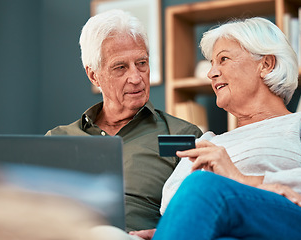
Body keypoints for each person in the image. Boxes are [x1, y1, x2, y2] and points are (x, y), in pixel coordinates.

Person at [140, 17, 301, 240]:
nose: (211, 73)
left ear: (266, 64)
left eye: (223, 59)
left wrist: (244, 181)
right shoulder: (211, 142)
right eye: (211, 63)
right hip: (240, 229)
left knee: (203, 184)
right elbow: (172, 201)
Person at [45, 9, 203, 233]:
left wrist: (166, 234)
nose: (137, 77)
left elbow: (198, 214)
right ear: (94, 76)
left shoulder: (181, 135)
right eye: (121, 67)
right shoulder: (58, 139)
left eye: (142, 63)